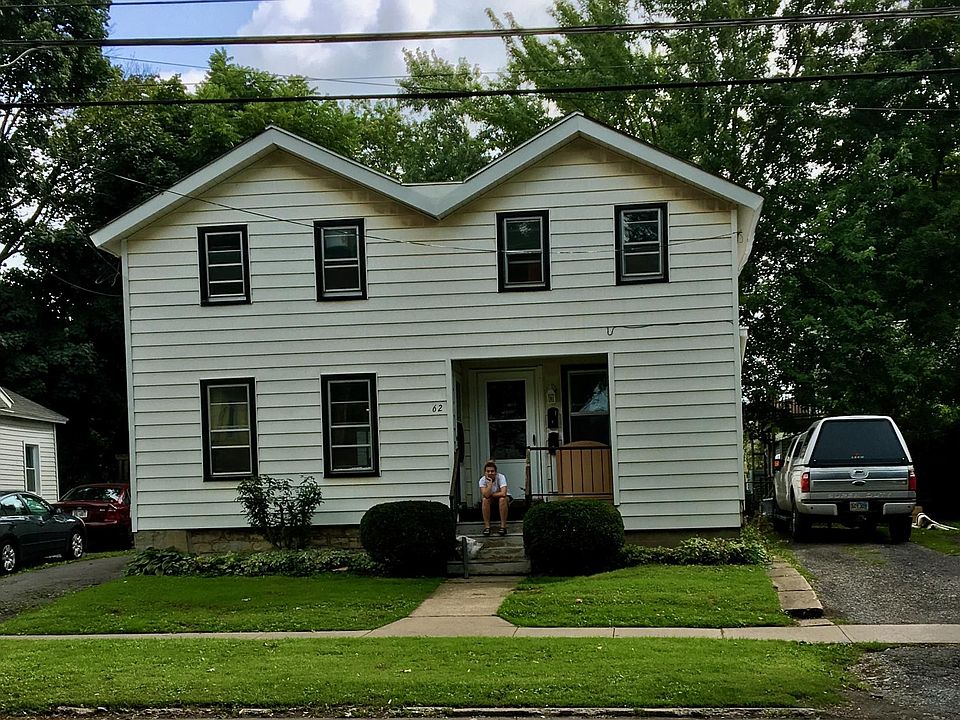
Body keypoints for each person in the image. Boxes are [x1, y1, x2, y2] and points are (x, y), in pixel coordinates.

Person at [479, 460, 509, 536]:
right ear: (485, 472)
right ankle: (487, 527)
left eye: (492, 471)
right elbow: (485, 495)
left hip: (502, 499)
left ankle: (503, 527)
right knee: (485, 500)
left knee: (502, 499)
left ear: (495, 472)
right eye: (488, 471)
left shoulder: (501, 477)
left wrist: (490, 494)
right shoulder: (482, 480)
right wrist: (489, 484)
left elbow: (503, 493)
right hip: (491, 499)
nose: (490, 473)